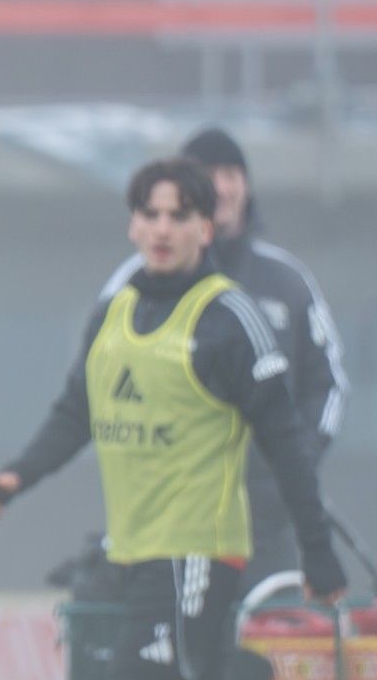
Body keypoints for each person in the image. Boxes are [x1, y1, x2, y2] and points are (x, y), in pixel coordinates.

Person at [0, 156, 346, 680]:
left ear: (207, 226)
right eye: (150, 212)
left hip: (198, 546)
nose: (163, 228)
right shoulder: (114, 312)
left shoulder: (227, 315)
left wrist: (317, 551)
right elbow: (74, 410)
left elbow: (286, 441)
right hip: (139, 545)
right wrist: (18, 475)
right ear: (132, 222)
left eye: (180, 214)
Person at [98, 126, 349, 592]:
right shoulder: (132, 285)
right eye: (209, 174)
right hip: (166, 527)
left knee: (268, 657)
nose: (223, 185)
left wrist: (298, 460)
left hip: (267, 527)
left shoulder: (287, 281)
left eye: (233, 172)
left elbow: (329, 383)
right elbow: (96, 390)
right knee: (178, 662)